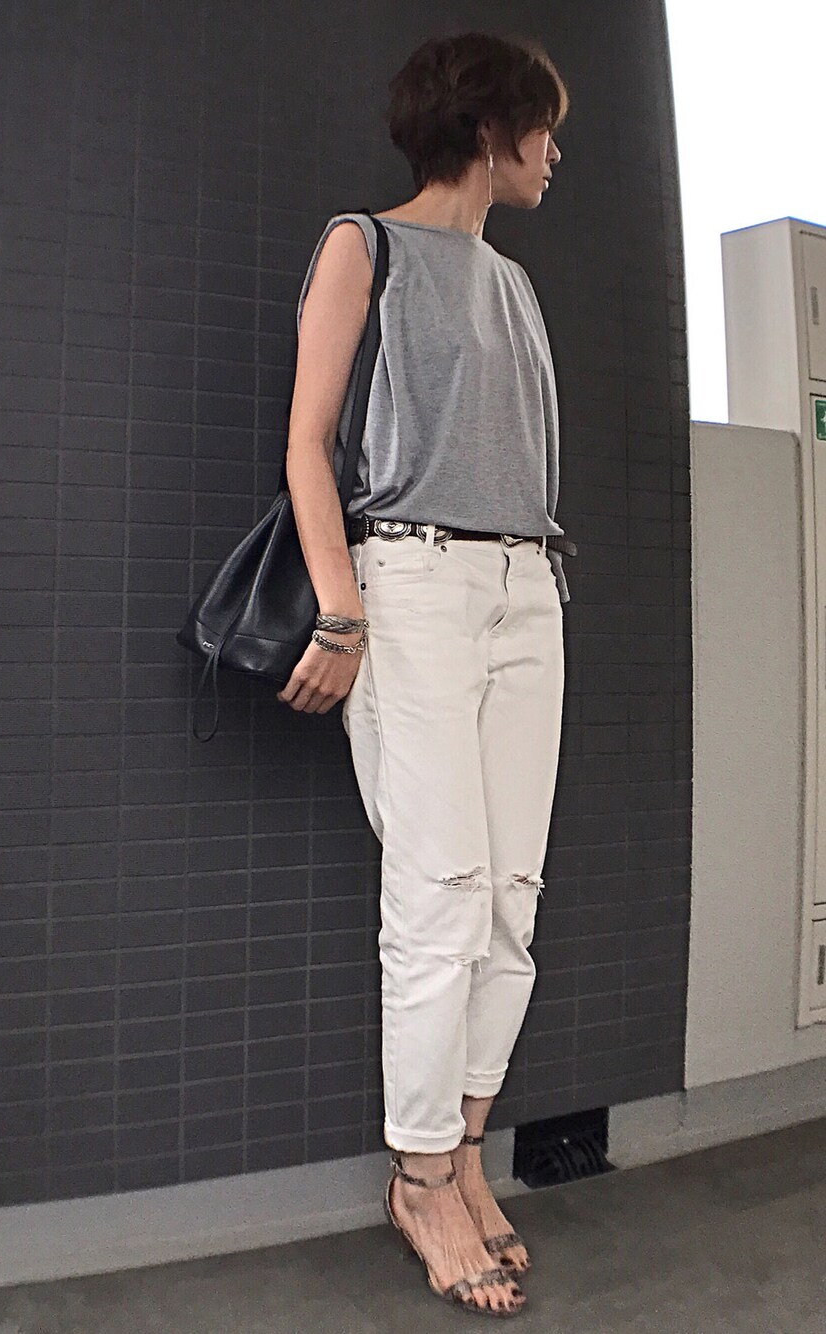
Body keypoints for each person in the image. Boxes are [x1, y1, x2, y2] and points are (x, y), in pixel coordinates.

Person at [279, 30, 571, 1319]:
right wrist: (342, 613)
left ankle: (463, 1153)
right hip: (414, 582)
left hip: (528, 589)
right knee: (441, 892)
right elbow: (308, 440)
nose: (554, 154)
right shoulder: (365, 247)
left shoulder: (514, 284)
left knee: (511, 899)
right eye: (543, 130)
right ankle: (419, 1176)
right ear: (489, 129)